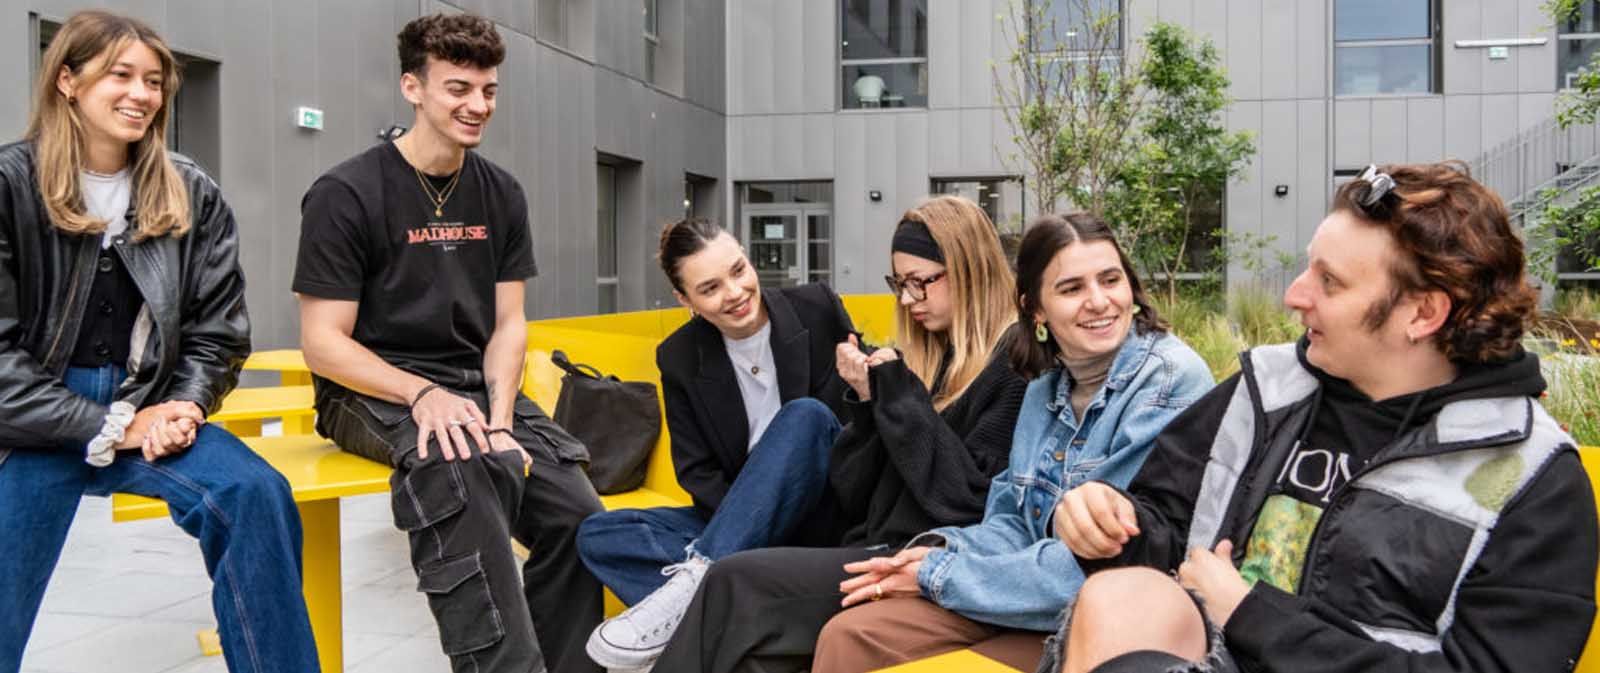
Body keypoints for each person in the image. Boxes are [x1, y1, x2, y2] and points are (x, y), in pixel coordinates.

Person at [1049, 162, 1598, 673]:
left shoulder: (1534, 480)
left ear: (1423, 313)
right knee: (1121, 594)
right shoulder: (1266, 389)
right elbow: (1164, 529)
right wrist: (1108, 522)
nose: (1294, 295)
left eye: (1329, 282)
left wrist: (1252, 616)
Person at [0, 10, 317, 673]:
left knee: (254, 493)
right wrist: (110, 423)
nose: (141, 94)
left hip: (151, 402)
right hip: (26, 423)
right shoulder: (8, 186)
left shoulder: (191, 192)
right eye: (120, 75)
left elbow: (219, 333)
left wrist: (187, 407)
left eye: (153, 81)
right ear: (67, 80)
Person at [293, 13, 602, 673]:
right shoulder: (345, 193)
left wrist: (498, 420)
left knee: (577, 512)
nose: (477, 105)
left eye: (488, 90)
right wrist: (422, 393)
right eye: (458, 88)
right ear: (413, 87)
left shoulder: (501, 193)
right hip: (369, 387)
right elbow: (322, 343)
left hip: (473, 384)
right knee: (455, 470)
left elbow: (508, 324)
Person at [811, 212, 1215, 672]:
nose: (1100, 301)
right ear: (1035, 308)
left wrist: (938, 575)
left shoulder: (1168, 381)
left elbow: (1102, 565)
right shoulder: (1045, 387)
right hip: (1021, 590)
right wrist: (937, 552)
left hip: (1103, 617)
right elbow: (1011, 518)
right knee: (852, 635)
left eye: (1110, 280)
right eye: (1072, 289)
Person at [651, 194, 1029, 673]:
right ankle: (690, 584)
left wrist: (894, 396)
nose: (908, 299)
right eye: (899, 284)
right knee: (608, 534)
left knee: (732, 580)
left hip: (916, 558)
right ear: (686, 301)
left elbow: (966, 502)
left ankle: (687, 592)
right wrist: (869, 407)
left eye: (921, 282)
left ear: (970, 270)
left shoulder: (1013, 366)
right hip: (857, 537)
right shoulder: (933, 354)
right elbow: (856, 488)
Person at [579, 218, 858, 668]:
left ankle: (704, 579)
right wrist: (753, 524)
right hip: (741, 521)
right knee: (599, 533)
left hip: (828, 510)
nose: (735, 292)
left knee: (805, 416)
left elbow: (858, 421)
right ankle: (728, 598)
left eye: (739, 270)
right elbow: (697, 471)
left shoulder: (817, 309)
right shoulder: (679, 356)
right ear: (685, 300)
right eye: (709, 288)